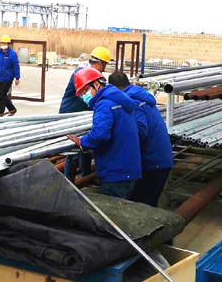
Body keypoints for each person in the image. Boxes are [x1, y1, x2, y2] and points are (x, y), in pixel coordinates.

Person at [67, 68, 146, 199]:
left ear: (97, 85)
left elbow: (100, 134)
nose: (84, 96)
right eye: (81, 94)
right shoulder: (120, 99)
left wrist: (83, 141)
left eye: (85, 91)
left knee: (112, 209)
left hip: (116, 171)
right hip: (129, 169)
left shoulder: (104, 104)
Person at [109, 71, 174, 207]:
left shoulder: (132, 101)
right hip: (160, 159)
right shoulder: (141, 96)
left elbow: (140, 131)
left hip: (153, 162)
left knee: (142, 206)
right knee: (147, 203)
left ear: (113, 89)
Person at [59, 46, 111, 180]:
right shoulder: (81, 73)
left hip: (83, 114)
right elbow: (87, 96)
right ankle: (68, 181)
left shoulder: (94, 74)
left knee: (86, 147)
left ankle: (85, 175)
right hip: (71, 114)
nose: (104, 68)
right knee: (74, 150)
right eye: (105, 65)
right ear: (101, 63)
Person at [0, 35, 21, 117]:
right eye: (2, 43)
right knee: (2, 95)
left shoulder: (12, 54)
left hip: (8, 77)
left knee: (2, 94)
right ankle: (12, 108)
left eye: (5, 43)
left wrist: (17, 78)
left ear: (8, 44)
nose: (3, 44)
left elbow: (16, 66)